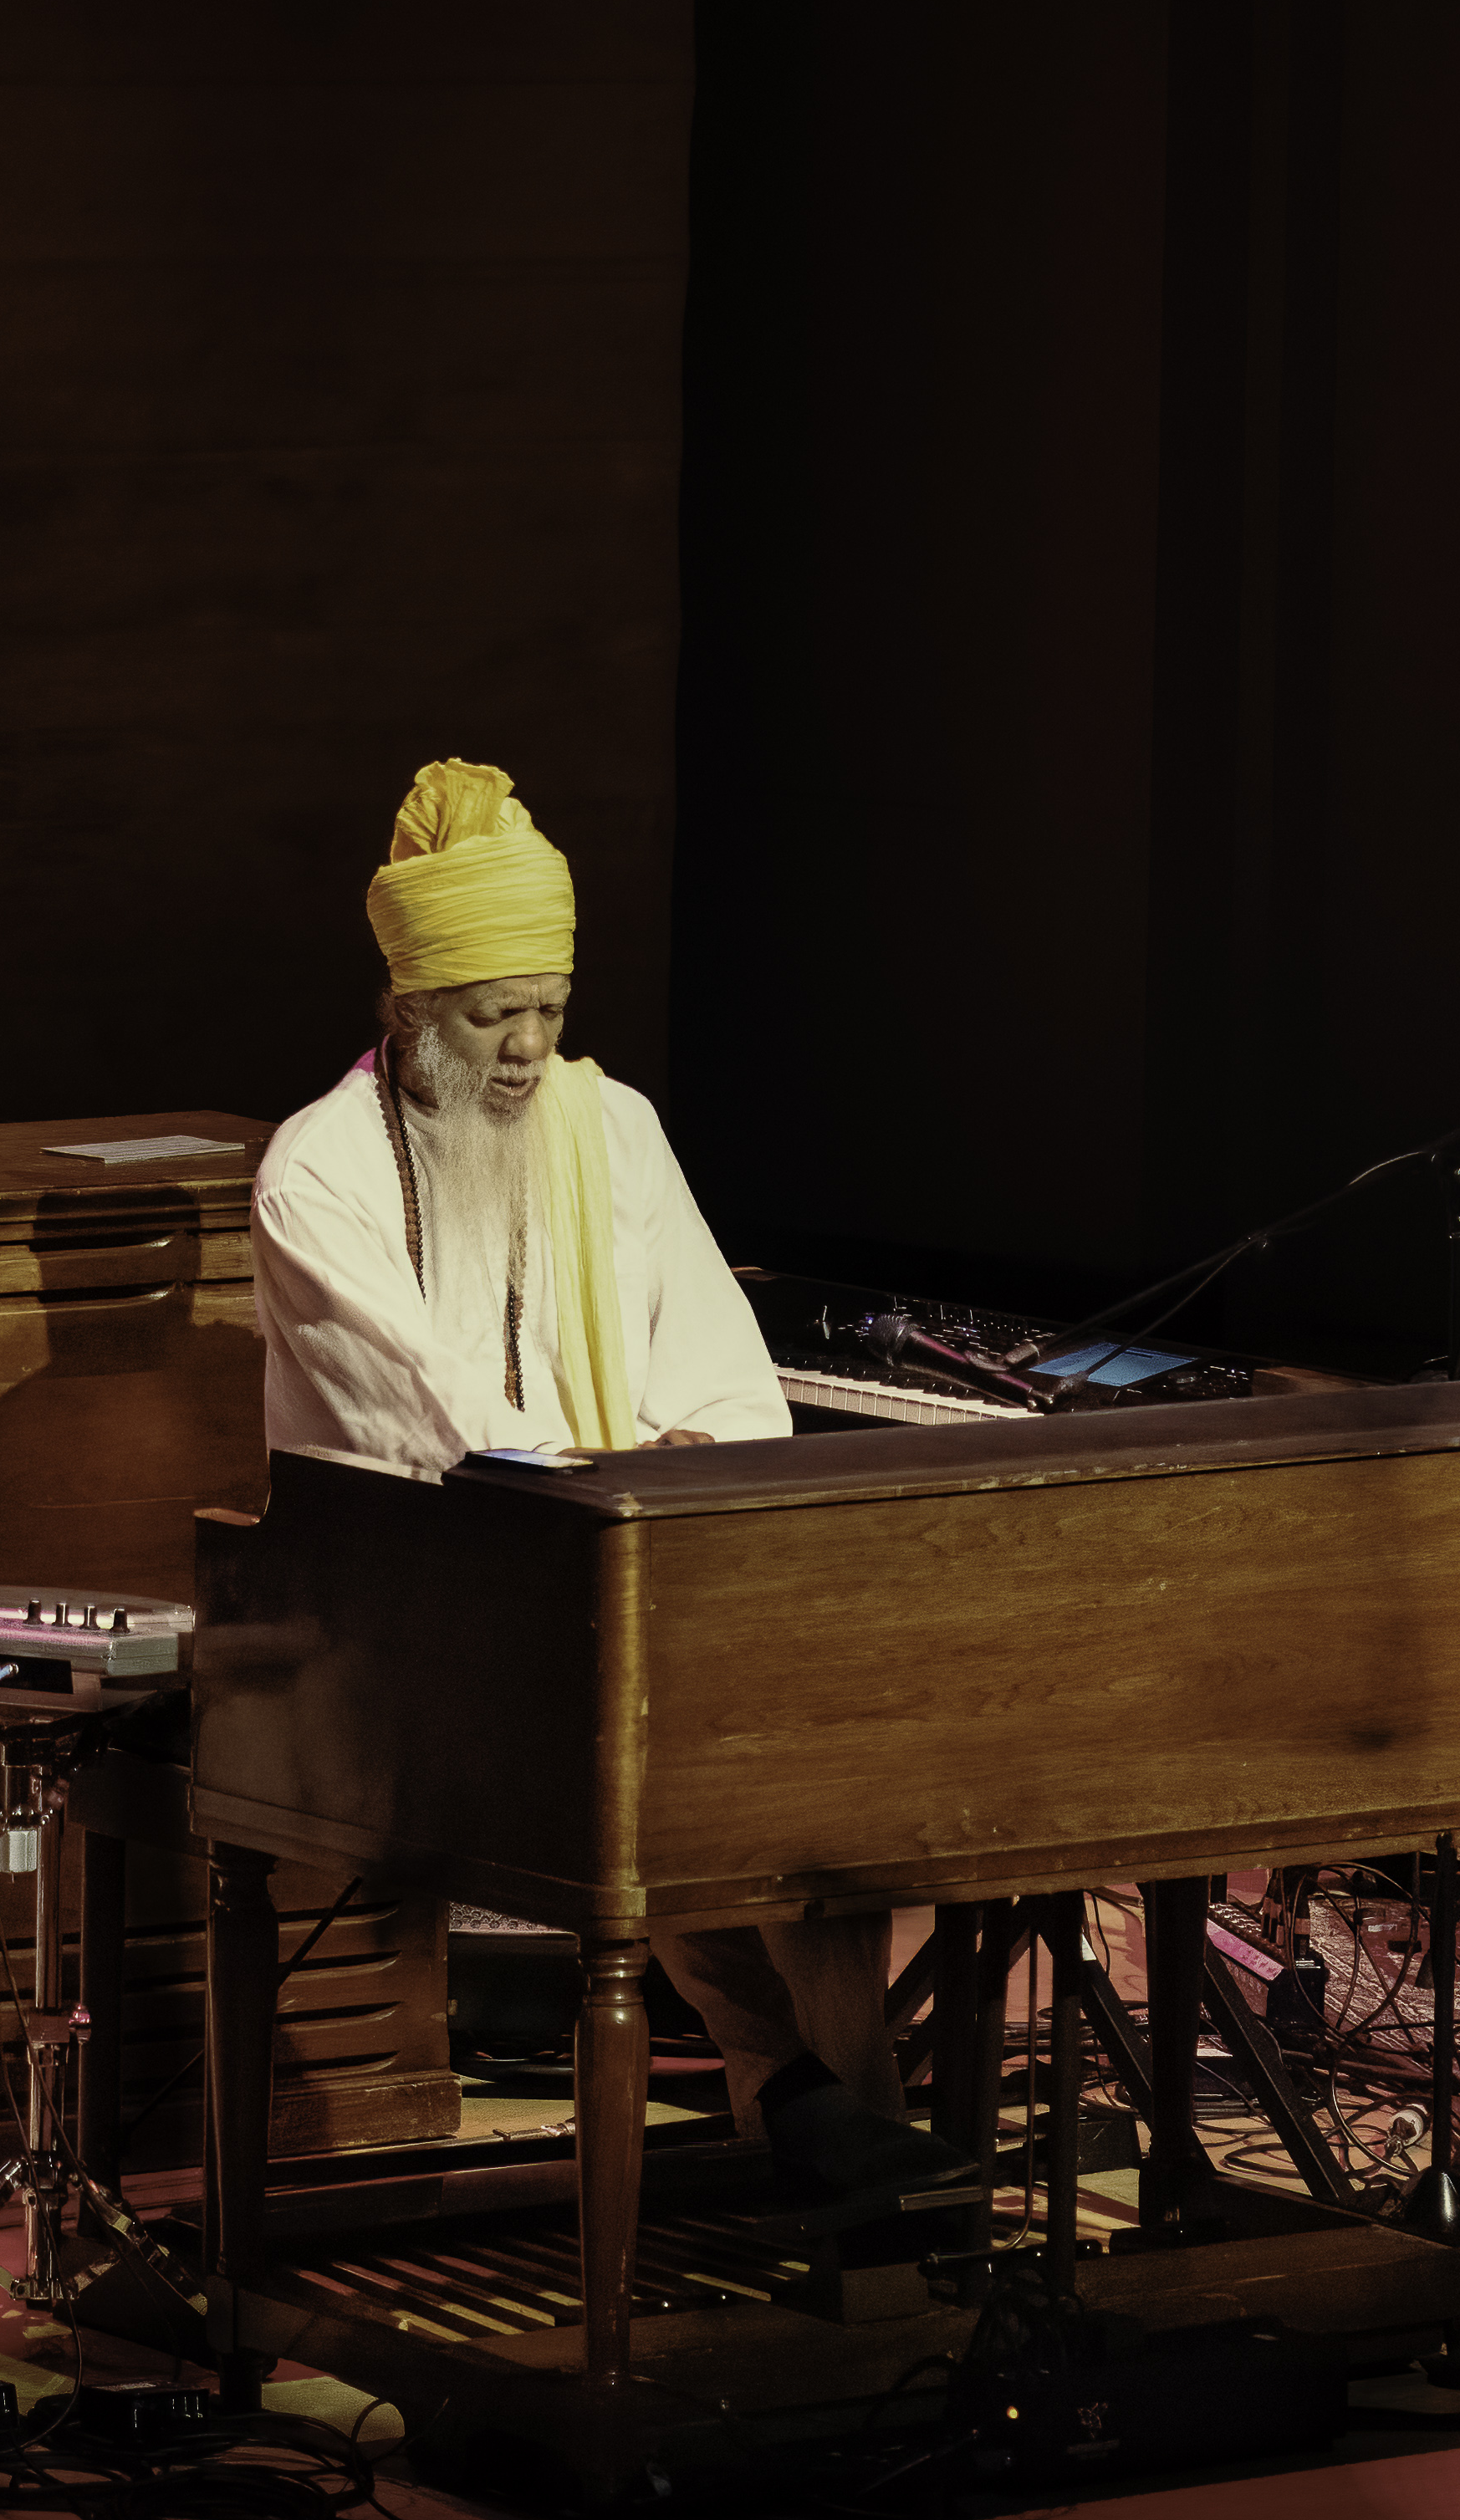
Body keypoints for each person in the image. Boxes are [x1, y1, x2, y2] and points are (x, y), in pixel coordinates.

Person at [249, 759, 947, 2194]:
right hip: (426, 1617)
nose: (525, 1050)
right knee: (705, 1767)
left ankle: (828, 2113)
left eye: (549, 1012)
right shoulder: (318, 1172)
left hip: (638, 1577)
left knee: (810, 1766)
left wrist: (674, 1454)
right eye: (492, 1015)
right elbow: (435, 1436)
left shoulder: (609, 1124)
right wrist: (624, 1471)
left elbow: (722, 1375)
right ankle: (828, 2120)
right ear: (409, 1007)